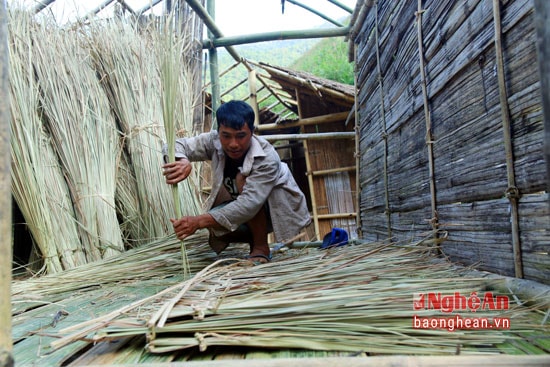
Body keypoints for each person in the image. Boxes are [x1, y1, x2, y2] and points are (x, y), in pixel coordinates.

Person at [162, 100, 311, 263]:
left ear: (252, 132)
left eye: (241, 136)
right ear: (218, 132)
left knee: (243, 181)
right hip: (244, 209)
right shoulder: (213, 140)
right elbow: (174, 145)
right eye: (226, 136)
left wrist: (198, 221)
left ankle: (261, 247)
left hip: (276, 211)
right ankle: (251, 241)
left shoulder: (267, 157)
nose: (233, 144)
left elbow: (249, 204)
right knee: (215, 222)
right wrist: (183, 160)